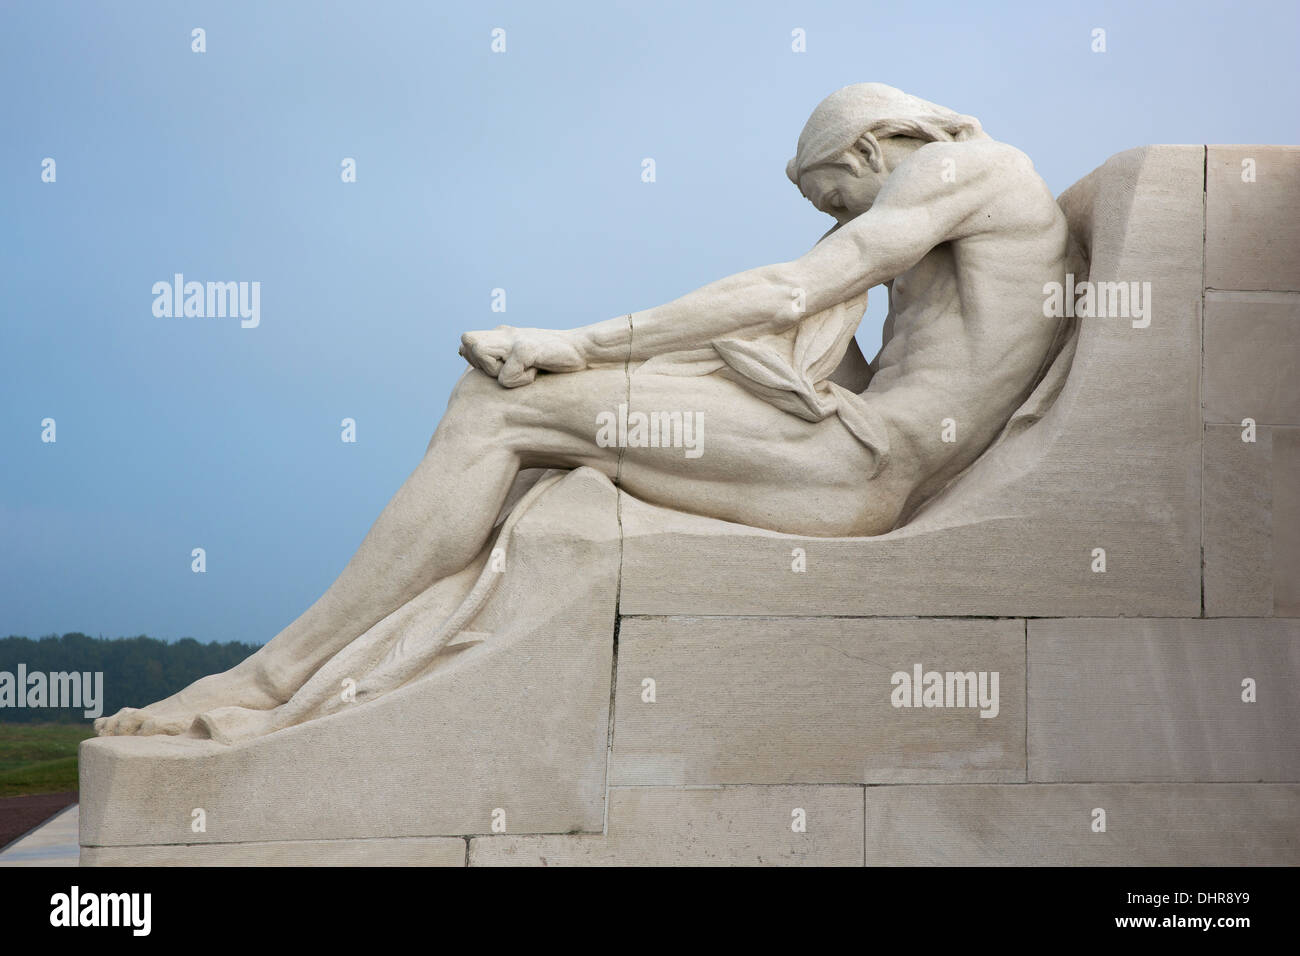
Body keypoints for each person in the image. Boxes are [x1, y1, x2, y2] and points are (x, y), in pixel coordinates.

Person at [96, 83, 1071, 737]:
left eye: (840, 199)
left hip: (852, 470)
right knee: (518, 413)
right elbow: (860, 353)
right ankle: (303, 682)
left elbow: (791, 287)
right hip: (841, 443)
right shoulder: (976, 208)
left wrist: (582, 342)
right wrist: (749, 356)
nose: (840, 218)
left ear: (869, 148)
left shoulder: (959, 168)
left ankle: (268, 687)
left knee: (500, 405)